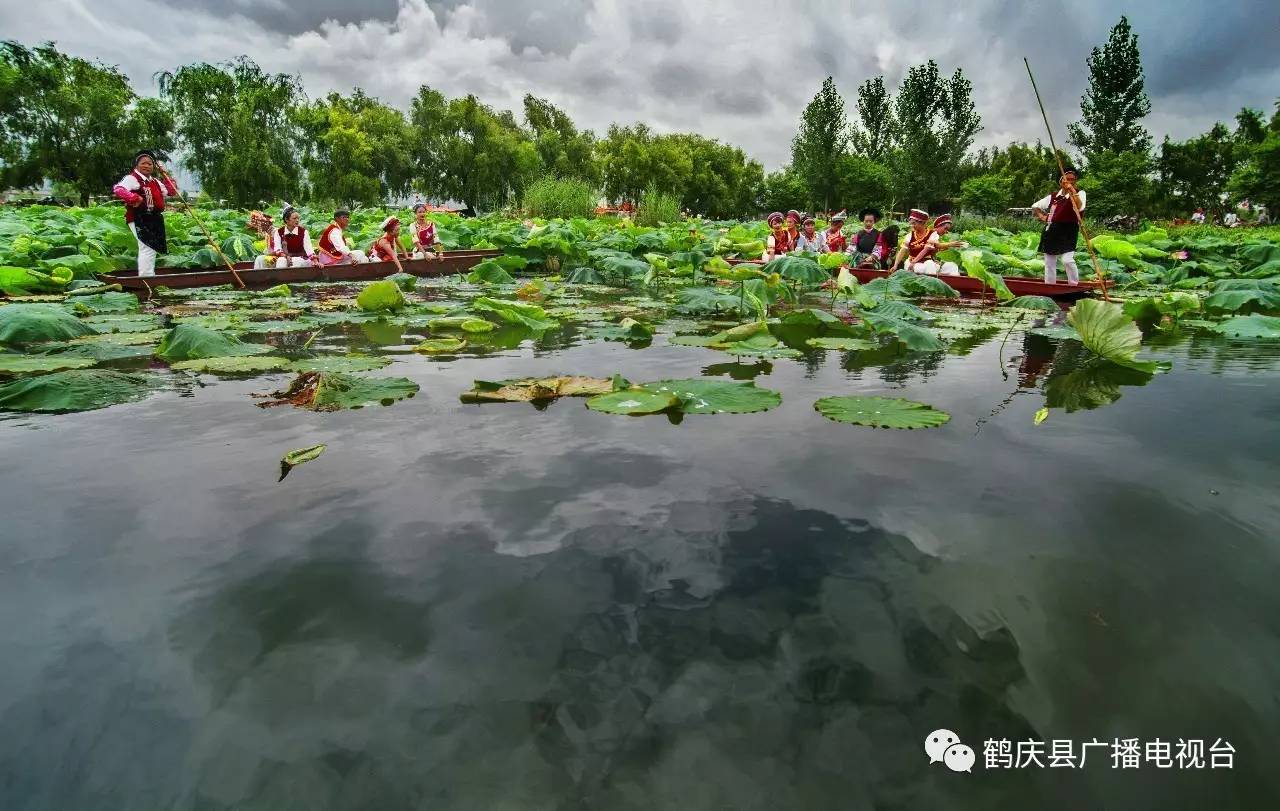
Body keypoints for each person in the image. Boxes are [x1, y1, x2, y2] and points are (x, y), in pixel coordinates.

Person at [112, 150, 179, 277]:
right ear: (136, 166)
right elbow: (118, 189)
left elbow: (171, 191)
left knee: (151, 248)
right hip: (139, 217)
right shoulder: (132, 178)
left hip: (154, 218)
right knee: (147, 247)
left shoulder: (154, 181)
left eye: (150, 164)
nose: (147, 166)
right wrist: (133, 198)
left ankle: (148, 275)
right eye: (143, 163)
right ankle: (146, 278)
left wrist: (165, 175)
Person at [1032, 168, 1087, 284]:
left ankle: (1073, 285)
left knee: (1067, 260)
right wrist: (1043, 217)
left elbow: (1079, 207)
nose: (1070, 181)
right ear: (1061, 181)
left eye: (1073, 180)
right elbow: (1035, 207)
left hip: (1069, 230)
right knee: (1049, 262)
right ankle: (1050, 286)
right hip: (1052, 230)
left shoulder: (1079, 193)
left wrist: (1072, 191)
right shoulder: (1053, 197)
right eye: (1067, 179)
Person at [889, 209, 958, 275]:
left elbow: (926, 249)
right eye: (911, 223)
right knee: (929, 266)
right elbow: (902, 251)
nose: (912, 226)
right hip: (912, 264)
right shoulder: (910, 235)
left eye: (914, 223)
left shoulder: (932, 234)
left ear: (922, 223)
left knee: (951, 266)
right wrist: (895, 265)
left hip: (926, 263)